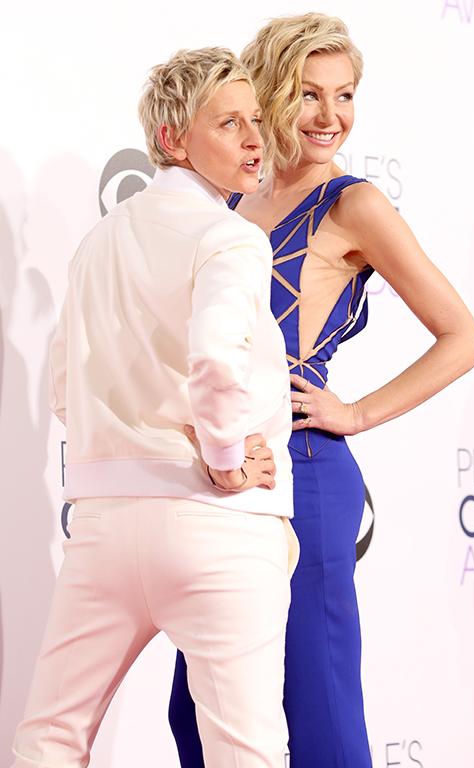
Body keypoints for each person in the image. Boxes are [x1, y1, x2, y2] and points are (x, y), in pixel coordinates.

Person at [167, 14, 474, 768]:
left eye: (345, 96)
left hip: (305, 472)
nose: (330, 117)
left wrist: (360, 412)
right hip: (219, 477)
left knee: (316, 700)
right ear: (268, 92)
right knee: (200, 704)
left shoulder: (354, 205)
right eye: (308, 94)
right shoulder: (229, 200)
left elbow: (464, 337)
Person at [12, 49, 297, 768]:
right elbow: (215, 357)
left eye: (256, 121)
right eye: (230, 124)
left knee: (49, 737)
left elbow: (62, 390)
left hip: (103, 530)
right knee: (246, 752)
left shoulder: (94, 244)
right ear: (173, 140)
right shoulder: (231, 236)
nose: (254, 140)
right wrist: (227, 458)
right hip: (218, 526)